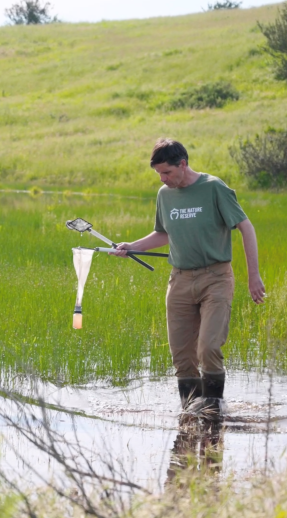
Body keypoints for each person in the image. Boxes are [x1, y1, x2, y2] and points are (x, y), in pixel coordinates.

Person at [112, 138, 265, 414]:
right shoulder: (164, 195)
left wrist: (254, 276)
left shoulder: (214, 188)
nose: (163, 178)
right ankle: (189, 417)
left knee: (207, 348)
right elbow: (163, 233)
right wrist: (131, 246)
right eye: (159, 173)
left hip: (215, 280)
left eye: (167, 172)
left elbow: (246, 227)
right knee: (182, 357)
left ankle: (214, 413)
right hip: (179, 281)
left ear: (182, 164)